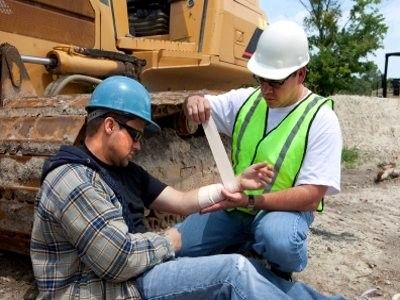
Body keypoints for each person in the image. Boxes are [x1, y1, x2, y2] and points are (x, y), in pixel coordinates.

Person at [30, 75, 345, 299]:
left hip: (131, 273)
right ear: (110, 125)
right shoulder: (73, 179)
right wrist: (170, 241)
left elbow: (180, 201)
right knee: (233, 271)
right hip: (104, 289)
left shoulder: (122, 169)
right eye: (136, 135)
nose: (139, 145)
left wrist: (232, 185)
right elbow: (118, 261)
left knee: (245, 266)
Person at [177, 20, 343, 280]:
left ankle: (278, 269)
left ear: (300, 74)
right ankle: (243, 245)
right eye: (260, 79)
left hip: (281, 213)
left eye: (275, 82)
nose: (265, 89)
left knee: (280, 241)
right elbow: (199, 105)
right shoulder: (248, 100)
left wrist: (253, 200)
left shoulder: (320, 118)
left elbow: (312, 196)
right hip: (235, 208)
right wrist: (193, 101)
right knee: (178, 249)